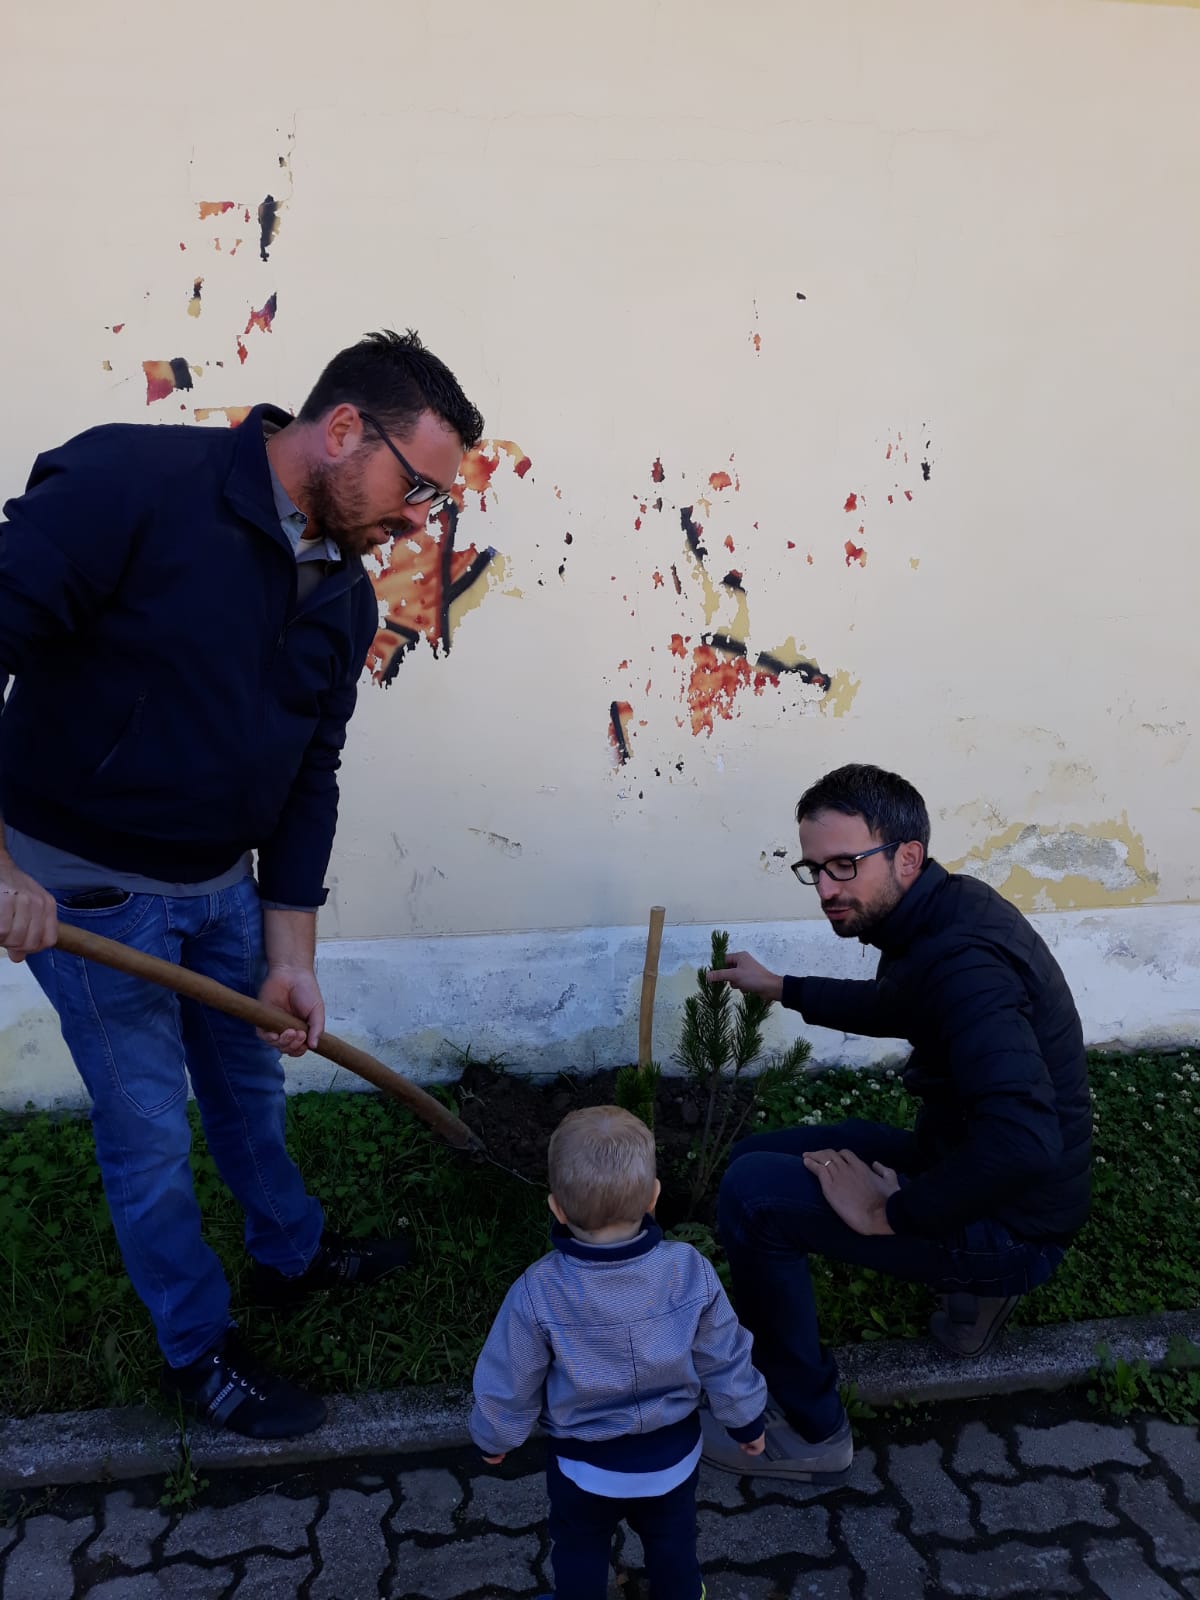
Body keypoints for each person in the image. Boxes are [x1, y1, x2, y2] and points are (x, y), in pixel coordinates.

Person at [0, 330, 484, 1439]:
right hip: (89, 901)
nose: (420, 520)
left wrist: (290, 954)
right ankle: (197, 1347)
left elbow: (312, 774)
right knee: (148, 1135)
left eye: (436, 502)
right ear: (344, 429)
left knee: (249, 1090)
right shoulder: (130, 485)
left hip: (222, 889)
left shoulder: (342, 598)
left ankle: (289, 1253)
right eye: (416, 487)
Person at [699, 763, 1091, 1482]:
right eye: (814, 869)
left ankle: (810, 1432)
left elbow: (1025, 1141)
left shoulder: (965, 962)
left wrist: (890, 1213)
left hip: (1015, 1227)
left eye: (844, 865)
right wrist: (782, 987)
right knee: (757, 1156)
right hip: (964, 1166)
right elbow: (899, 1004)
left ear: (907, 856)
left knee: (754, 1198)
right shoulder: (941, 914)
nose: (826, 889)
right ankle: (973, 1296)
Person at [470, 1105, 768, 1600]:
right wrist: (746, 1419)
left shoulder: (538, 1290)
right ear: (653, 1198)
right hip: (672, 1459)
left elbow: (511, 1376)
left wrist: (494, 1436)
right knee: (673, 1541)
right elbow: (724, 1353)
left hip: (585, 1468)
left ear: (556, 1209)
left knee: (579, 1546)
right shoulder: (688, 1270)